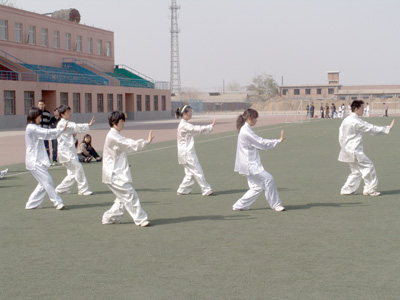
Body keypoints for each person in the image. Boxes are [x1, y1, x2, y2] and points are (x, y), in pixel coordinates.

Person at [102, 111, 154, 227]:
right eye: (121, 121)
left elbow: (118, 153)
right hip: (113, 174)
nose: (123, 123)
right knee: (130, 194)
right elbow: (129, 144)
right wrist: (145, 142)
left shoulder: (116, 134)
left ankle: (109, 217)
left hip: (115, 171)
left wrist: (125, 163)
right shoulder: (113, 136)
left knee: (121, 199)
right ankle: (140, 219)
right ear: (114, 122)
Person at [233, 109, 286, 212]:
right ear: (249, 118)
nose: (256, 120)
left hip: (247, 163)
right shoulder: (246, 131)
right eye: (255, 118)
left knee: (256, 187)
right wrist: (277, 141)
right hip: (250, 164)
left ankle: (240, 205)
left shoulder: (246, 129)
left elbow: (256, 144)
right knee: (269, 179)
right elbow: (260, 142)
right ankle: (276, 204)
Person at [338, 100, 395, 196]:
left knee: (356, 171)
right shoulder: (356, 121)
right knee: (369, 167)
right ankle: (370, 189)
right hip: (355, 150)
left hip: (347, 150)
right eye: (362, 108)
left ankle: (347, 189)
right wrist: (387, 128)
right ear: (356, 108)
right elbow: (370, 128)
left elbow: (341, 136)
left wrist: (343, 147)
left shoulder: (346, 120)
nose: (363, 110)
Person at [25, 107, 68, 210]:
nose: (40, 119)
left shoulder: (34, 127)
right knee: (47, 180)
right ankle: (57, 202)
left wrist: (60, 131)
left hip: (37, 160)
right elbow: (46, 133)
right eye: (39, 117)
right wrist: (61, 130)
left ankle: (32, 204)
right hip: (34, 161)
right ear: (34, 117)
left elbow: (46, 135)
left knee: (43, 183)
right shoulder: (31, 128)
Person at [175, 105, 216, 196]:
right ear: (184, 113)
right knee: (197, 171)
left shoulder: (183, 124)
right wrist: (210, 126)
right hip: (187, 153)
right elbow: (197, 130)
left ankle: (183, 189)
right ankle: (206, 189)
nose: (191, 114)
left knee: (190, 173)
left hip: (184, 152)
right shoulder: (185, 125)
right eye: (190, 112)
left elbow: (195, 130)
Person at [55, 105, 95, 196]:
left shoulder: (66, 123)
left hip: (69, 152)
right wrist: (88, 125)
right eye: (68, 112)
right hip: (65, 153)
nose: (70, 114)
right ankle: (83, 189)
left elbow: (74, 128)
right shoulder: (63, 124)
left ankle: (61, 189)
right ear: (62, 114)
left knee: (73, 173)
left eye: (70, 112)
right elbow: (76, 126)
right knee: (78, 168)